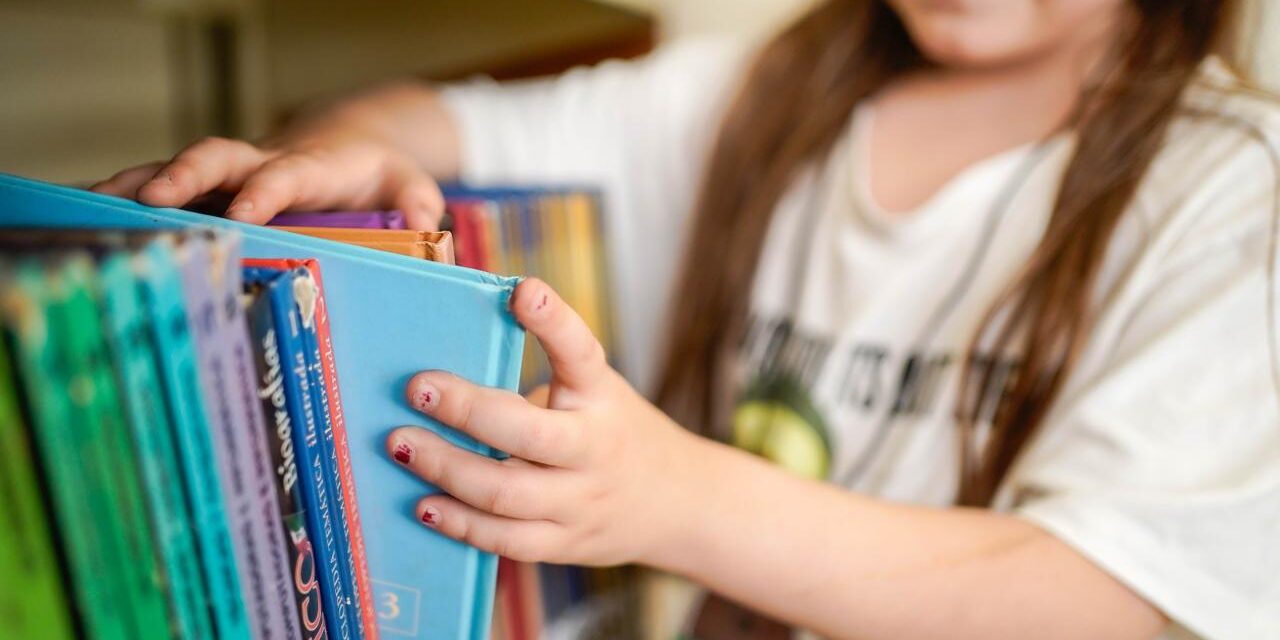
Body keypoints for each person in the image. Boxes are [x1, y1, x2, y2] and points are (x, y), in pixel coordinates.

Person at [92, 1, 1280, 638]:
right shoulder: (758, 93)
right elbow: (444, 120)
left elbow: (1104, 594)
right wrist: (358, 151)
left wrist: (669, 497)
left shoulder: (1229, 181)